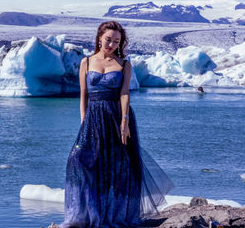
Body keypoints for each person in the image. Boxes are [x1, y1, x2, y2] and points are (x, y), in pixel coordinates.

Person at [60, 21, 174, 228]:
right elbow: (83, 96)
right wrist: (84, 123)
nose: (112, 44)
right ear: (99, 38)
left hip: (116, 117)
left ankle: (114, 214)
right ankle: (83, 214)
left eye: (116, 41)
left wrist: (124, 122)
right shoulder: (86, 62)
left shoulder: (124, 65)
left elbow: (124, 94)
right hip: (93, 117)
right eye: (108, 39)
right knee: (77, 160)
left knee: (120, 167)